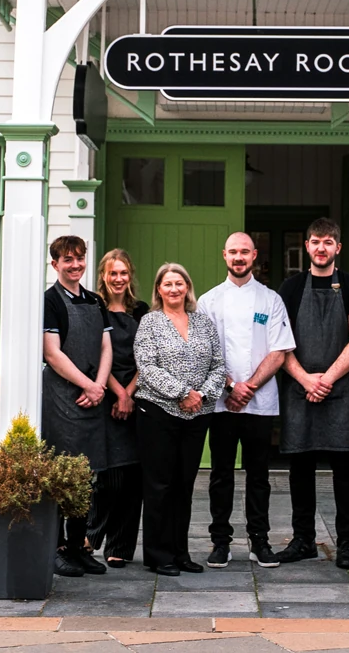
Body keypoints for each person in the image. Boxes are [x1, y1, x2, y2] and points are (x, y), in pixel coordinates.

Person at [196, 231, 296, 568]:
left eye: (245, 252)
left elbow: (279, 352)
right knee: (221, 474)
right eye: (233, 252)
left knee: (259, 476)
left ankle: (260, 541)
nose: (239, 257)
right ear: (224, 255)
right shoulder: (208, 301)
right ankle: (220, 542)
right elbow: (204, 352)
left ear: (255, 256)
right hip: (221, 403)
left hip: (260, 402)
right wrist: (229, 387)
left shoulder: (270, 300)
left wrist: (248, 386)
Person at [277, 217, 349, 569]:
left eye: (328, 242)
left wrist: (326, 379)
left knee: (345, 472)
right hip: (299, 389)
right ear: (307, 246)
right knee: (300, 470)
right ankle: (303, 540)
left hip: (340, 391)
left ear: (338, 248)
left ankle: (347, 544)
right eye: (315, 241)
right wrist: (305, 380)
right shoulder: (289, 288)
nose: (321, 247)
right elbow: (279, 342)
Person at [131, 262, 226, 577]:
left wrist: (201, 395)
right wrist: (182, 392)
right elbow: (146, 366)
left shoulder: (203, 322)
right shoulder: (150, 322)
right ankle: (158, 556)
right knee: (160, 485)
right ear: (159, 289)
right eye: (167, 284)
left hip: (196, 415)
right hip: (158, 412)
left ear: (188, 287)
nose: (174, 289)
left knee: (184, 485)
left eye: (179, 283)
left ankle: (180, 552)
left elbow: (218, 363)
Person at [40, 234, 112, 579]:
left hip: (92, 395)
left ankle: (77, 547)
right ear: (55, 264)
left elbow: (106, 346)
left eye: (80, 258)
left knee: (86, 477)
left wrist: (99, 385)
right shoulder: (49, 301)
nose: (75, 264)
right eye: (67, 259)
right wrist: (87, 385)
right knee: (59, 475)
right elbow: (52, 353)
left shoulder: (96, 301)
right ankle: (54, 550)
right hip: (62, 398)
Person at [87, 249, 148, 568]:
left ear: (130, 275)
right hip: (105, 393)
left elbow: (149, 356)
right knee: (108, 474)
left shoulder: (141, 311)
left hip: (138, 395)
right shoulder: (94, 308)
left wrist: (130, 393)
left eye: (123, 273)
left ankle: (121, 546)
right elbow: (95, 355)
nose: (119, 278)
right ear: (104, 276)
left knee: (134, 474)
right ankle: (91, 536)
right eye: (113, 273)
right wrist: (118, 394)